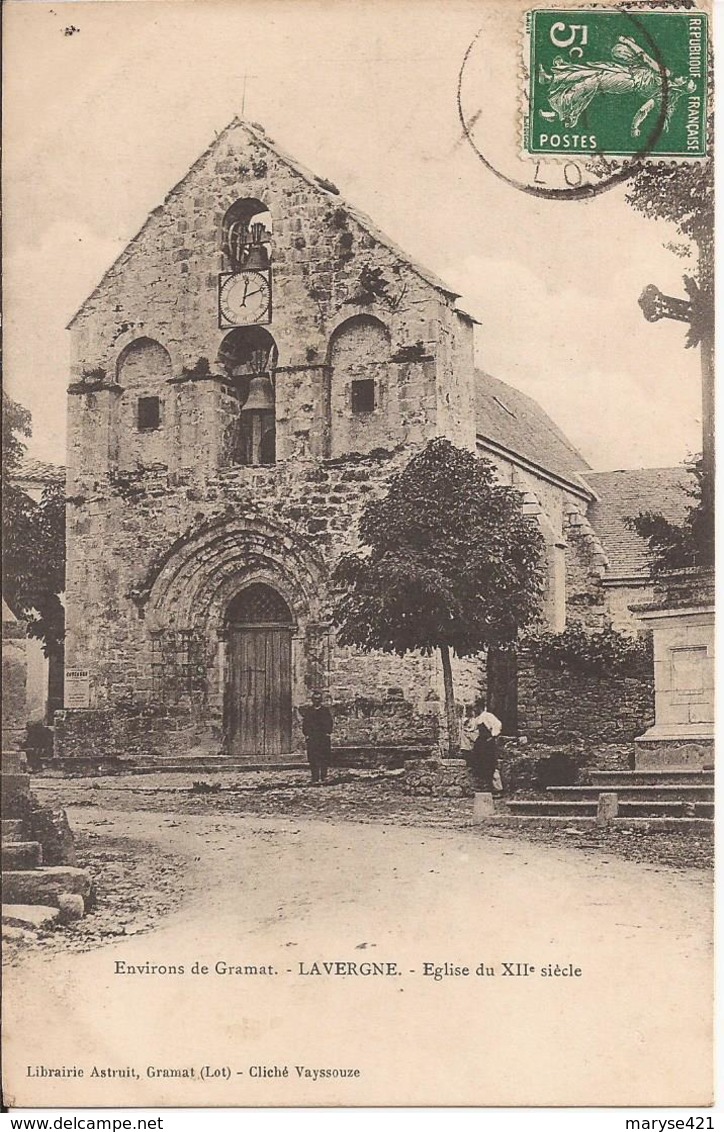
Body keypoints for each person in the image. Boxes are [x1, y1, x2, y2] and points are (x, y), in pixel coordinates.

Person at [539, 35, 695, 135]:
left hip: (627, 81)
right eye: (687, 77)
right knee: (590, 70)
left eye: (686, 81)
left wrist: (626, 42)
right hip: (626, 71)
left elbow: (645, 59)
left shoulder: (665, 81)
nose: (684, 77)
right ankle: (552, 79)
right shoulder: (667, 83)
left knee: (592, 81)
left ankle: (560, 112)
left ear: (680, 87)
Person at [300, 691, 333, 785]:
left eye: (318, 699)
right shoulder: (309, 711)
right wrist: (306, 734)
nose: (317, 701)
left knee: (324, 756)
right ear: (312, 700)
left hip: (323, 737)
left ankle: (323, 776)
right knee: (313, 757)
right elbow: (305, 723)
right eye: (315, 699)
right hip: (313, 737)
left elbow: (329, 722)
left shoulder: (325, 711)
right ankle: (314, 777)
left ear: (321, 700)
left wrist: (328, 733)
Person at [466, 706, 502, 793]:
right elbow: (472, 728)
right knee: (481, 763)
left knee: (491, 763)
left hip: (488, 743)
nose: (474, 710)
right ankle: (485, 785)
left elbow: (498, 724)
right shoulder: (478, 718)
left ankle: (496, 788)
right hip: (482, 743)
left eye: (476, 709)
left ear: (480, 708)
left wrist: (493, 736)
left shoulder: (488, 716)